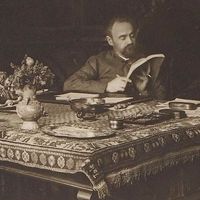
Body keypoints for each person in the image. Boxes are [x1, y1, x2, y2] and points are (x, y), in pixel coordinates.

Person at [63, 16, 166, 99]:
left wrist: (143, 91)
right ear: (110, 41)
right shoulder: (98, 61)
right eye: (123, 38)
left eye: (132, 36)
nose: (130, 41)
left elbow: (162, 99)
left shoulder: (145, 60)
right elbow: (69, 83)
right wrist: (107, 86)